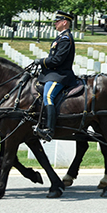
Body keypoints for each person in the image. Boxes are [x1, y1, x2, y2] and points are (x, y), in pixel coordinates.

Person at [33, 10, 76, 141]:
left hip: (61, 75)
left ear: (64, 22)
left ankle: (49, 130)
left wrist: (41, 61)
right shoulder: (60, 37)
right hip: (53, 73)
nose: (55, 23)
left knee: (48, 96)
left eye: (58, 21)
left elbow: (57, 60)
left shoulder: (65, 39)